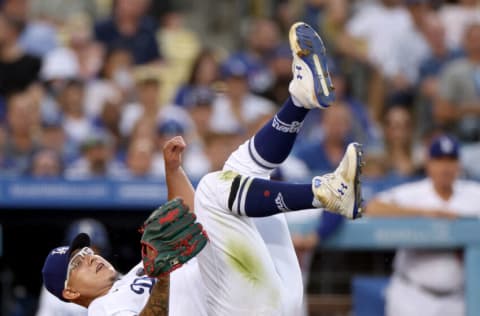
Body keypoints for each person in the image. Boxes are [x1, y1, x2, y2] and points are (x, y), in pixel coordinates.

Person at [42, 22, 363, 315]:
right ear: (70, 291)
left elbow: (189, 217)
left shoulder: (140, 270)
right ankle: (327, 192)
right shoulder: (104, 309)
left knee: (238, 171)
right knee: (213, 187)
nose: (91, 258)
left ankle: (300, 98)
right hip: (239, 308)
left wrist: (172, 172)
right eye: (78, 263)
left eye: (85, 252)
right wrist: (162, 275)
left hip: (265, 296)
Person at [365, 134, 480, 316]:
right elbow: (372, 207)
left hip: (458, 299)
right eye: (439, 160)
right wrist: (422, 213)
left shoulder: (473, 194)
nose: (445, 167)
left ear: (458, 164)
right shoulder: (414, 192)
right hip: (413, 296)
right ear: (429, 163)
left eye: (451, 160)